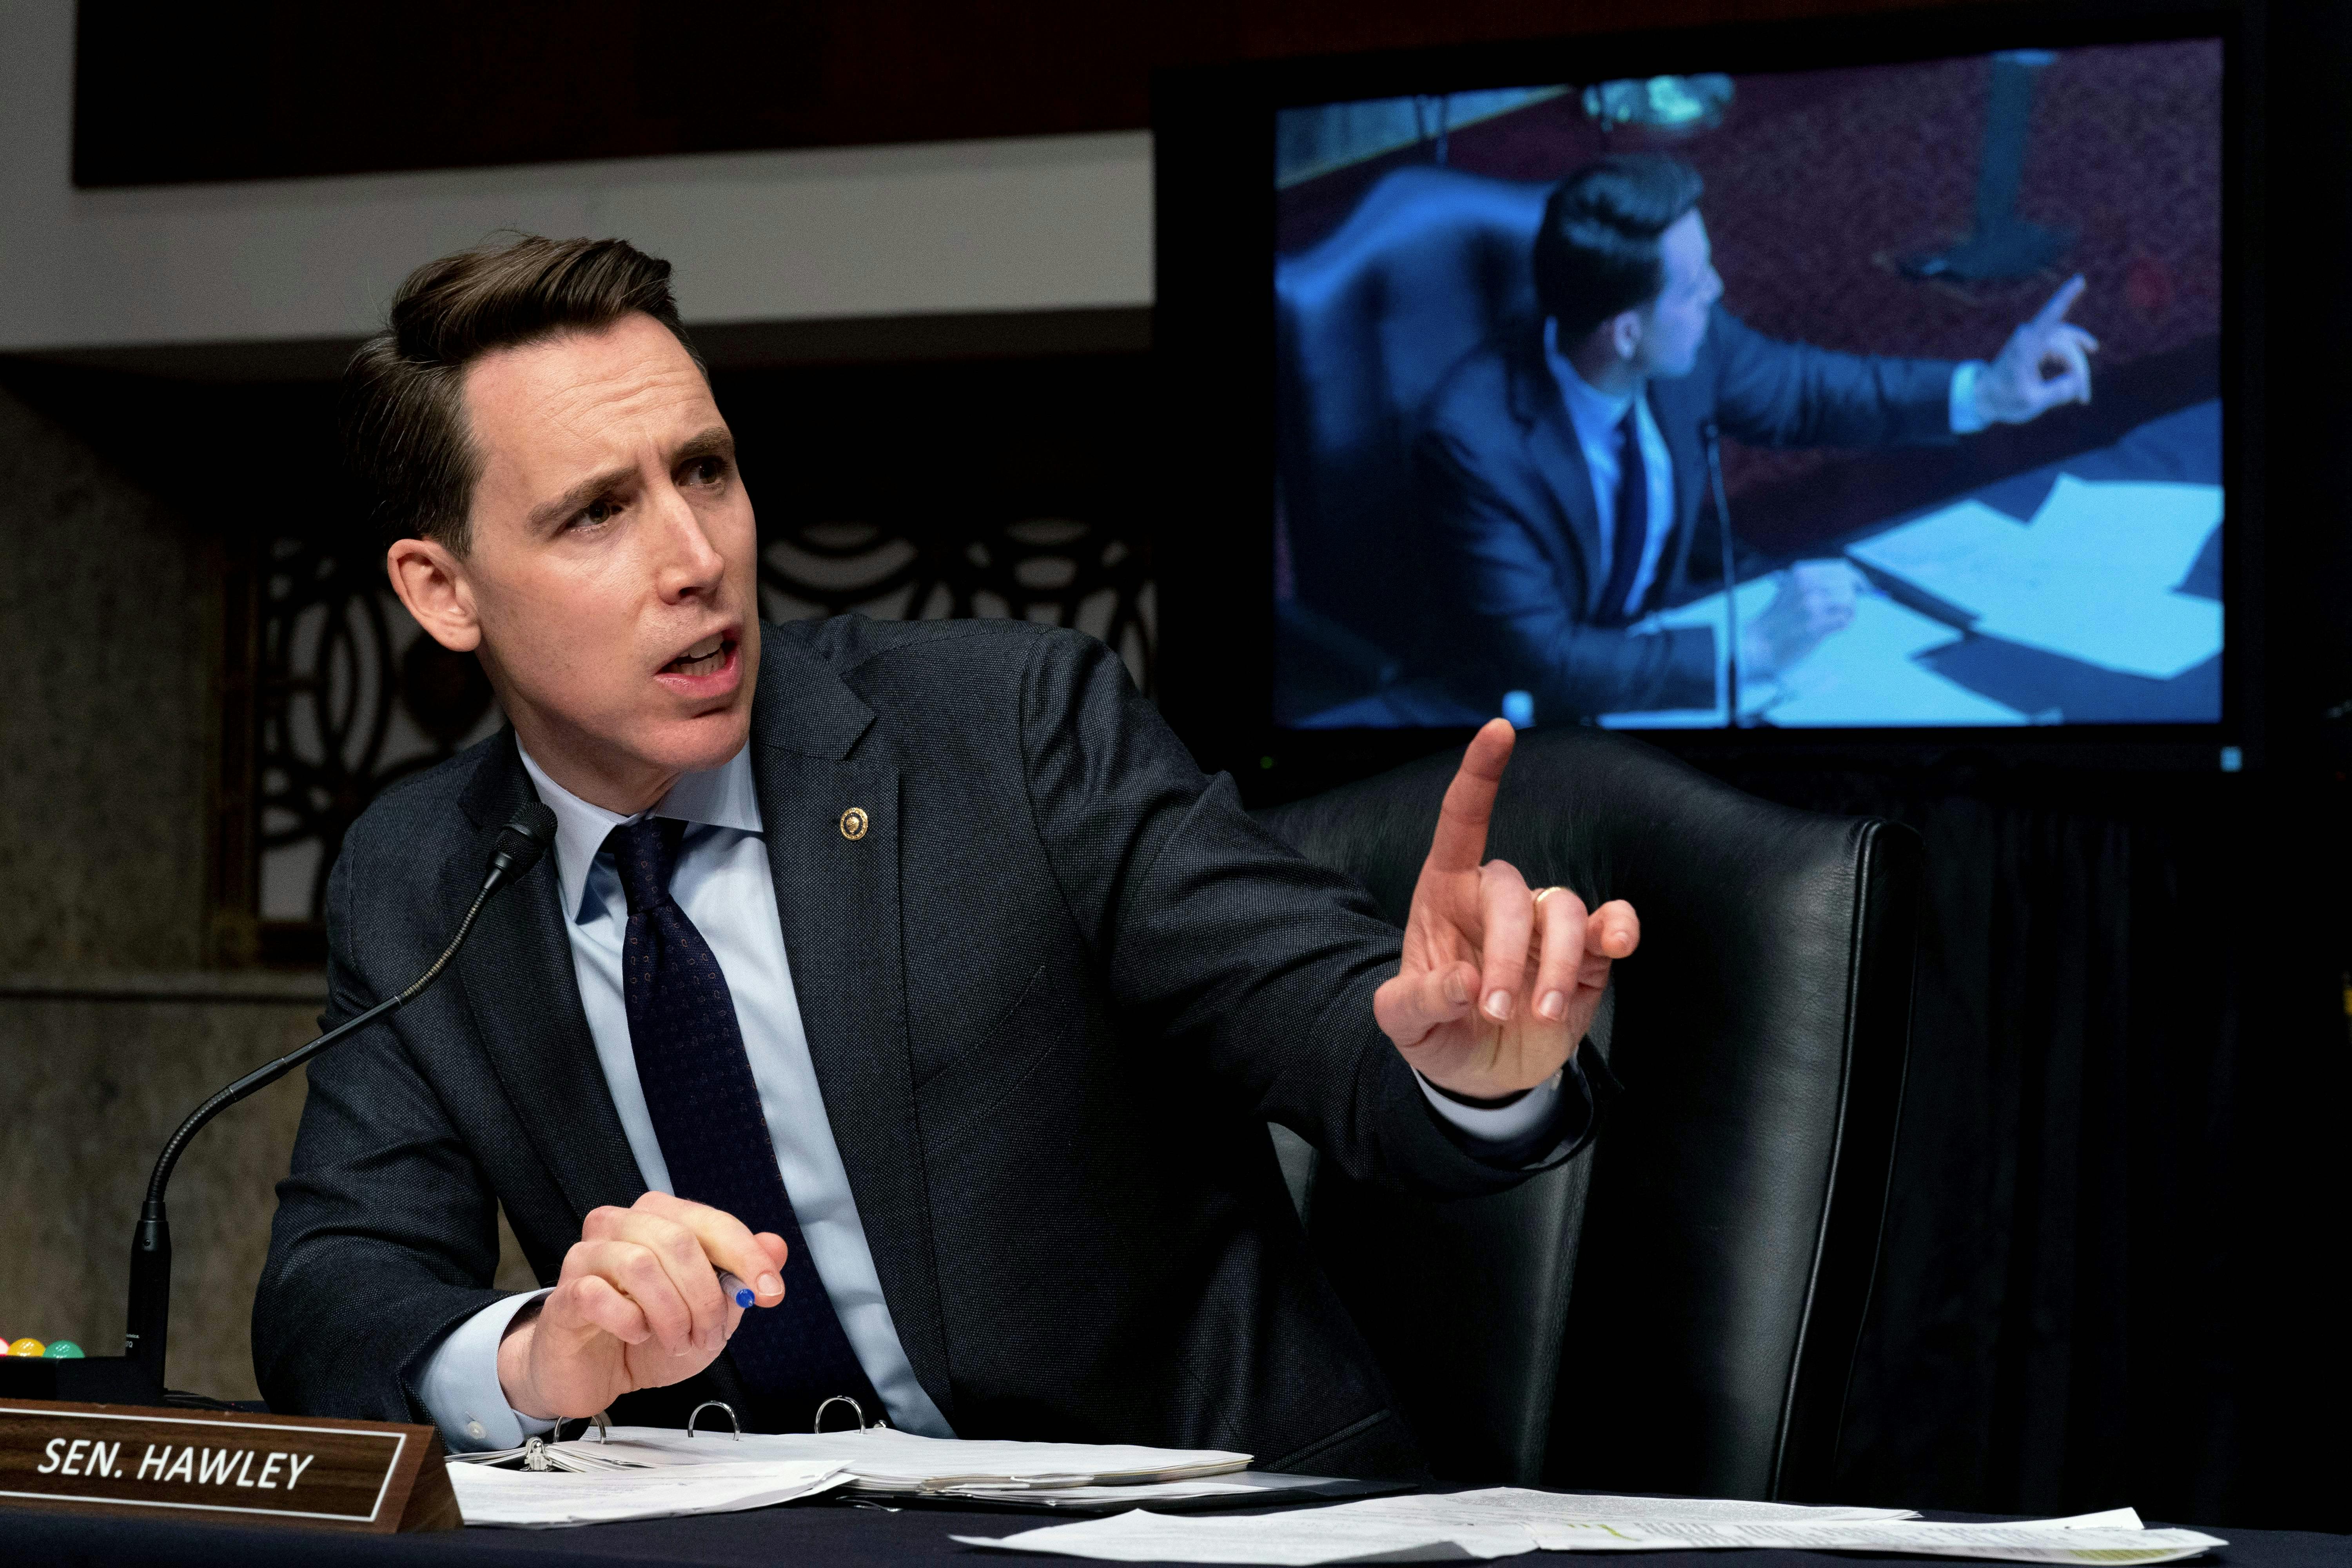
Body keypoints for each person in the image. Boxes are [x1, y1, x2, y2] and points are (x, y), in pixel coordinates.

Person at [254, 236, 1641, 1479]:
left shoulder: (1011, 730)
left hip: (1175, 1526)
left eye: (707, 471)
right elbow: (335, 1291)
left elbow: (1326, 1016)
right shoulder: (422, 874)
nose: (695, 558)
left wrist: (1465, 1070)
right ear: (443, 591)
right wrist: (534, 1358)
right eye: (596, 513)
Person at [1415, 153, 2099, 719]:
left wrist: (1985, 393)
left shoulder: (1687, 345)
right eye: (1692, 287)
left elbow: (1807, 392)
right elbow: (1546, 659)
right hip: (1516, 720)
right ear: (1624, 333)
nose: (1716, 291)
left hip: (1655, 648)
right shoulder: (1476, 443)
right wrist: (1750, 651)